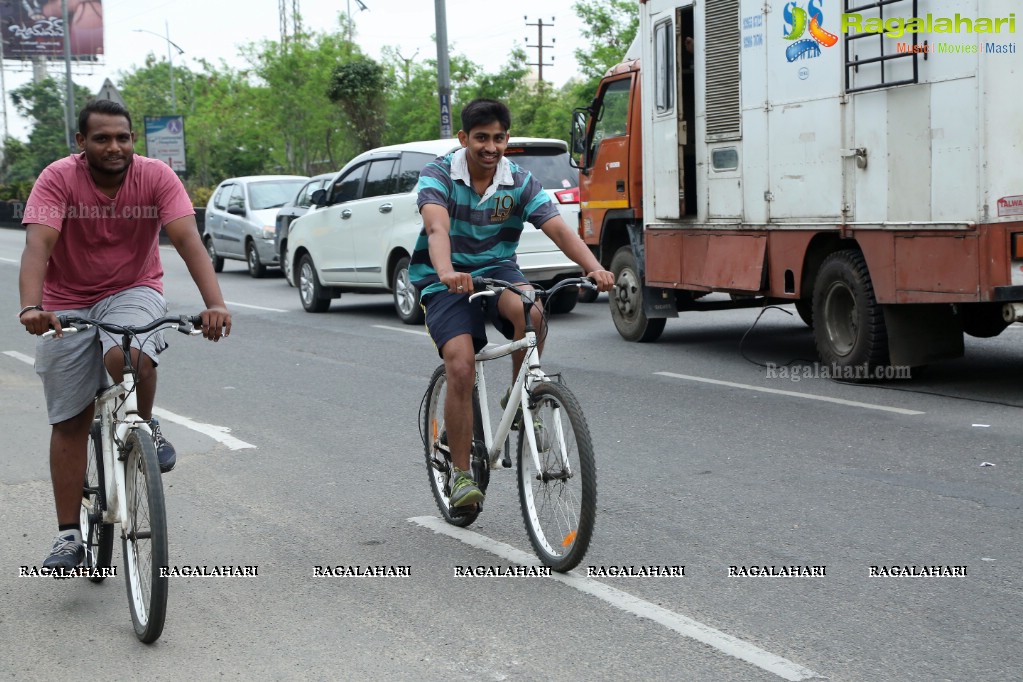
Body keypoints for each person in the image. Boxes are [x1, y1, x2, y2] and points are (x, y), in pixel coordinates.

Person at [18, 99, 232, 571]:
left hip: (132, 289)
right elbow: (38, 244)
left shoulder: (155, 176)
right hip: (65, 299)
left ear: (133, 139)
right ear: (81, 143)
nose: (114, 147)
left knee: (129, 356)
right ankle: (68, 534)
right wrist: (33, 306)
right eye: (102, 138)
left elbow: (187, 240)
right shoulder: (57, 178)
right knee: (70, 419)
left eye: (123, 137)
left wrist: (214, 303)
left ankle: (145, 425)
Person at [411, 98, 615, 508]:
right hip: (445, 280)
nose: (490, 147)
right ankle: (461, 475)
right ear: (463, 138)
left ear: (507, 139)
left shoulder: (520, 180)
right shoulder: (439, 175)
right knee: (462, 364)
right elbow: (437, 228)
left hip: (498, 269)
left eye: (499, 138)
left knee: (533, 311)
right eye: (481, 138)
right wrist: (448, 271)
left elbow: (558, 229)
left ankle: (520, 394)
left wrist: (595, 267)